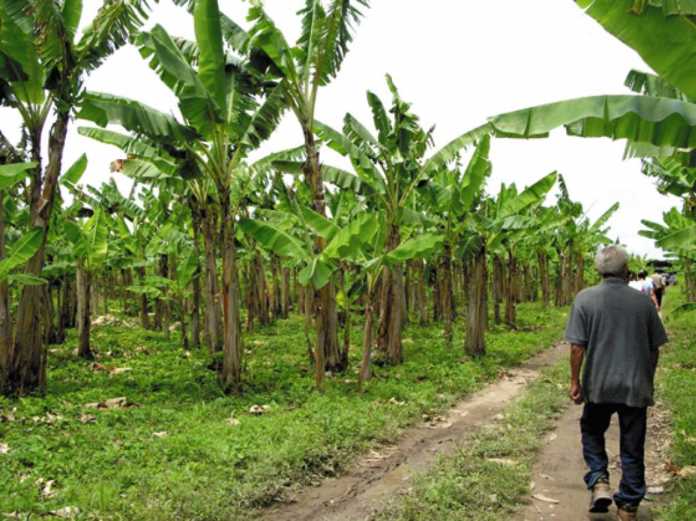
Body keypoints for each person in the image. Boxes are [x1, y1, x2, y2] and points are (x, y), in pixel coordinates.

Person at [565, 246, 668, 521]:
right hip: (635, 385)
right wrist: (648, 377)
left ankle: (599, 480)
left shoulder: (585, 299)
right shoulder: (643, 302)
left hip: (598, 384)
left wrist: (575, 381)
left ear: (598, 270)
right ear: (626, 270)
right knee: (632, 445)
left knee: (591, 430)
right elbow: (654, 348)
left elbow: (577, 347)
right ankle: (628, 507)